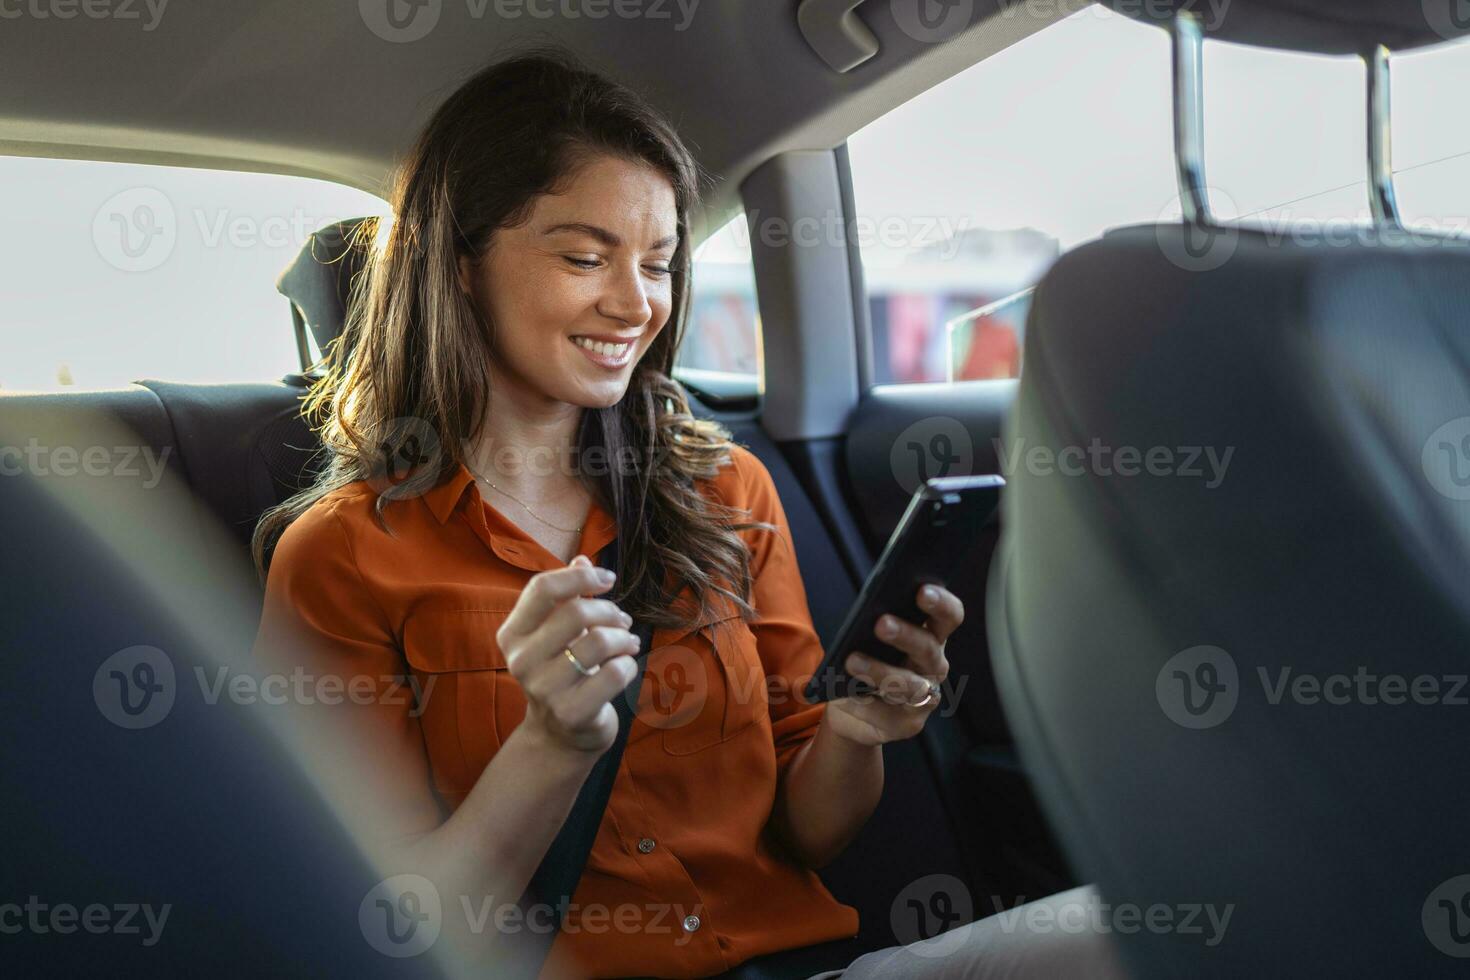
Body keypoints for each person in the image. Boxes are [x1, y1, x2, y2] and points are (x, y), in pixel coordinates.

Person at [251, 47, 1124, 980]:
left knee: (1145, 932)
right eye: (586, 258)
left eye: (660, 264)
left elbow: (808, 828)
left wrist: (856, 732)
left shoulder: (724, 490)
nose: (637, 305)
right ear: (459, 265)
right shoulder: (339, 557)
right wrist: (550, 746)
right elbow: (385, 928)